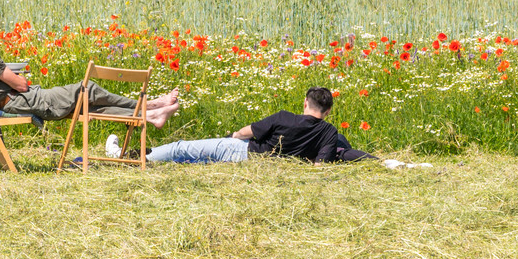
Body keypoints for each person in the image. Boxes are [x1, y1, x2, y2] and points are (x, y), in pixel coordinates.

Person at [0, 0, 182, 125]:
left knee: (87, 107)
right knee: (88, 89)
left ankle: (149, 115)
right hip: (18, 101)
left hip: (7, 101)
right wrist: (20, 79)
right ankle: (149, 105)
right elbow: (20, 85)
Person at [148, 86, 424, 168]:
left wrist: (233, 135)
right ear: (328, 112)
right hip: (263, 165)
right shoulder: (329, 131)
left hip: (243, 152)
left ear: (305, 103)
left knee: (183, 150)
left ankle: (140, 157)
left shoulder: (284, 117)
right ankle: (143, 157)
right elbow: (320, 165)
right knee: (191, 161)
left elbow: (248, 132)